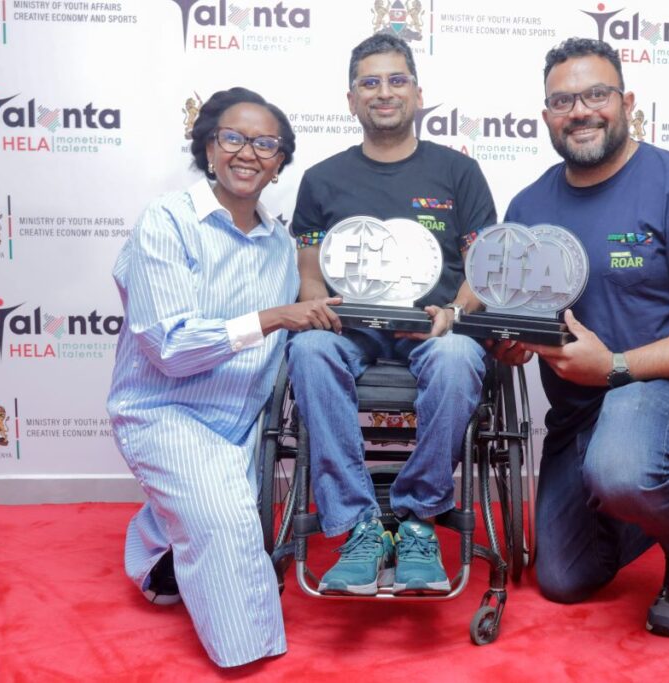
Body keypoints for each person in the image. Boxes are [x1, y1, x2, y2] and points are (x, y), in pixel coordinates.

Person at [496, 38, 669, 637]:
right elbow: (519, 318)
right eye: (562, 101)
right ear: (546, 115)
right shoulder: (528, 206)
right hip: (580, 410)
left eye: (597, 94)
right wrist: (510, 342)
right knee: (564, 578)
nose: (580, 111)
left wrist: (616, 365)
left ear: (627, 102)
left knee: (623, 467)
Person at [106, 87, 341, 668]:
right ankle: (250, 656)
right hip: (165, 411)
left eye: (266, 144)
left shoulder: (280, 244)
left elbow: (302, 326)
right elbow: (168, 347)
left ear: (280, 162)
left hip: (245, 422)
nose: (248, 153)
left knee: (219, 501)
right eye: (233, 138)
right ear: (208, 147)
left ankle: (160, 556)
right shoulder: (167, 221)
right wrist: (274, 316)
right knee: (228, 521)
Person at [286, 34, 497, 596]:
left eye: (396, 80)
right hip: (350, 329)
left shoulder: (458, 172)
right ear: (351, 99)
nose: (384, 92)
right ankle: (359, 525)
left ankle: (418, 518)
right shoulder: (322, 179)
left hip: (434, 329)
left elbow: (482, 270)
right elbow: (310, 273)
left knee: (458, 356)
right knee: (307, 348)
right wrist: (318, 307)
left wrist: (454, 312)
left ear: (418, 94)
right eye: (370, 82)